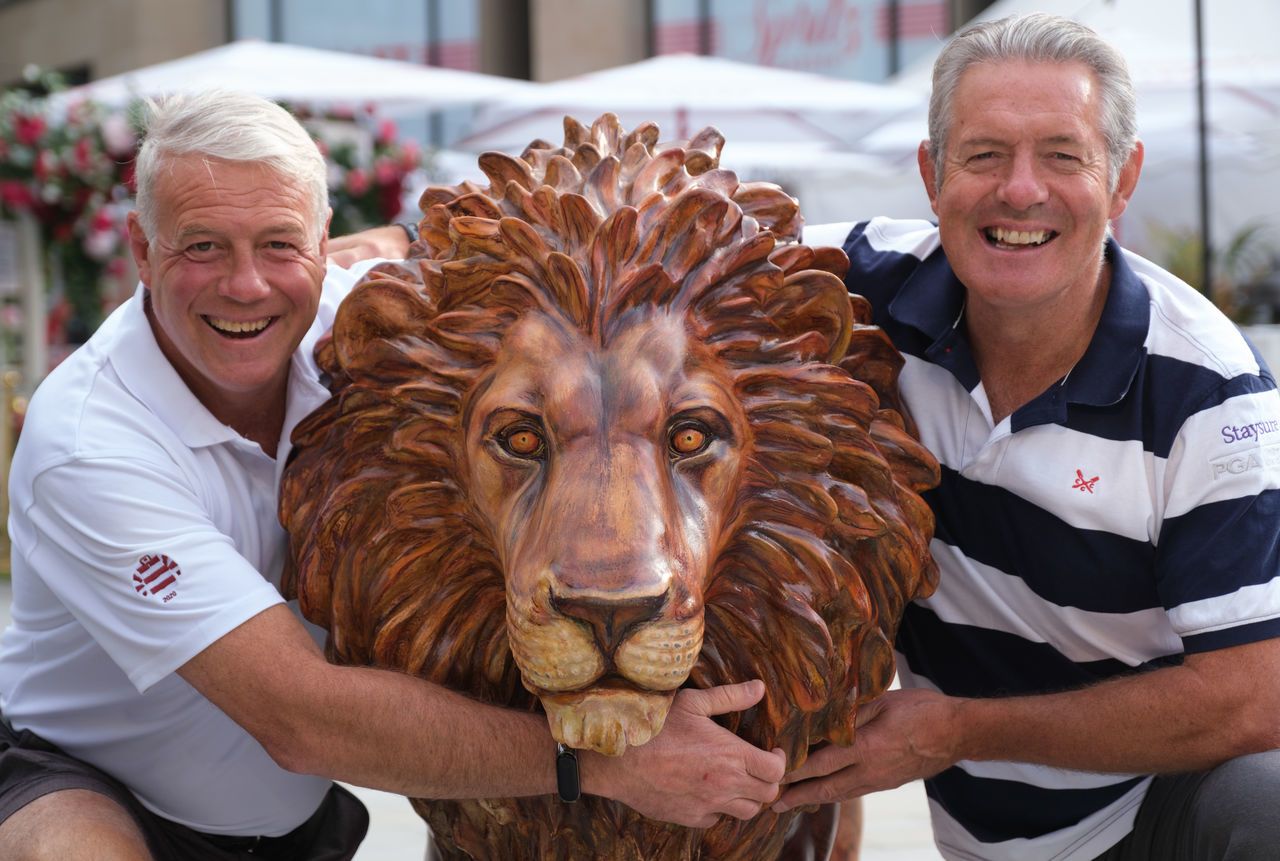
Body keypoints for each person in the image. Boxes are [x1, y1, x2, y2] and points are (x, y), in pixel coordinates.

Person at [0, 90, 785, 861]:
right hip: (84, 781)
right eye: (201, 246)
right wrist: (605, 767)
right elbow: (298, 717)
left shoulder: (357, 323)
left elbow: (438, 254)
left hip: (288, 824)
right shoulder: (90, 443)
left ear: (320, 242)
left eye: (278, 244)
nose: (246, 285)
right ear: (140, 247)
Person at [785, 13, 1280, 861]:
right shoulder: (853, 289)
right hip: (988, 836)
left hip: (1161, 820)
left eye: (1062, 154)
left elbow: (1255, 696)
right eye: (983, 155)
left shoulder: (1209, 395)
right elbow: (679, 251)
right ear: (930, 173)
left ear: (1121, 180)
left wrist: (958, 732)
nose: (1020, 191)